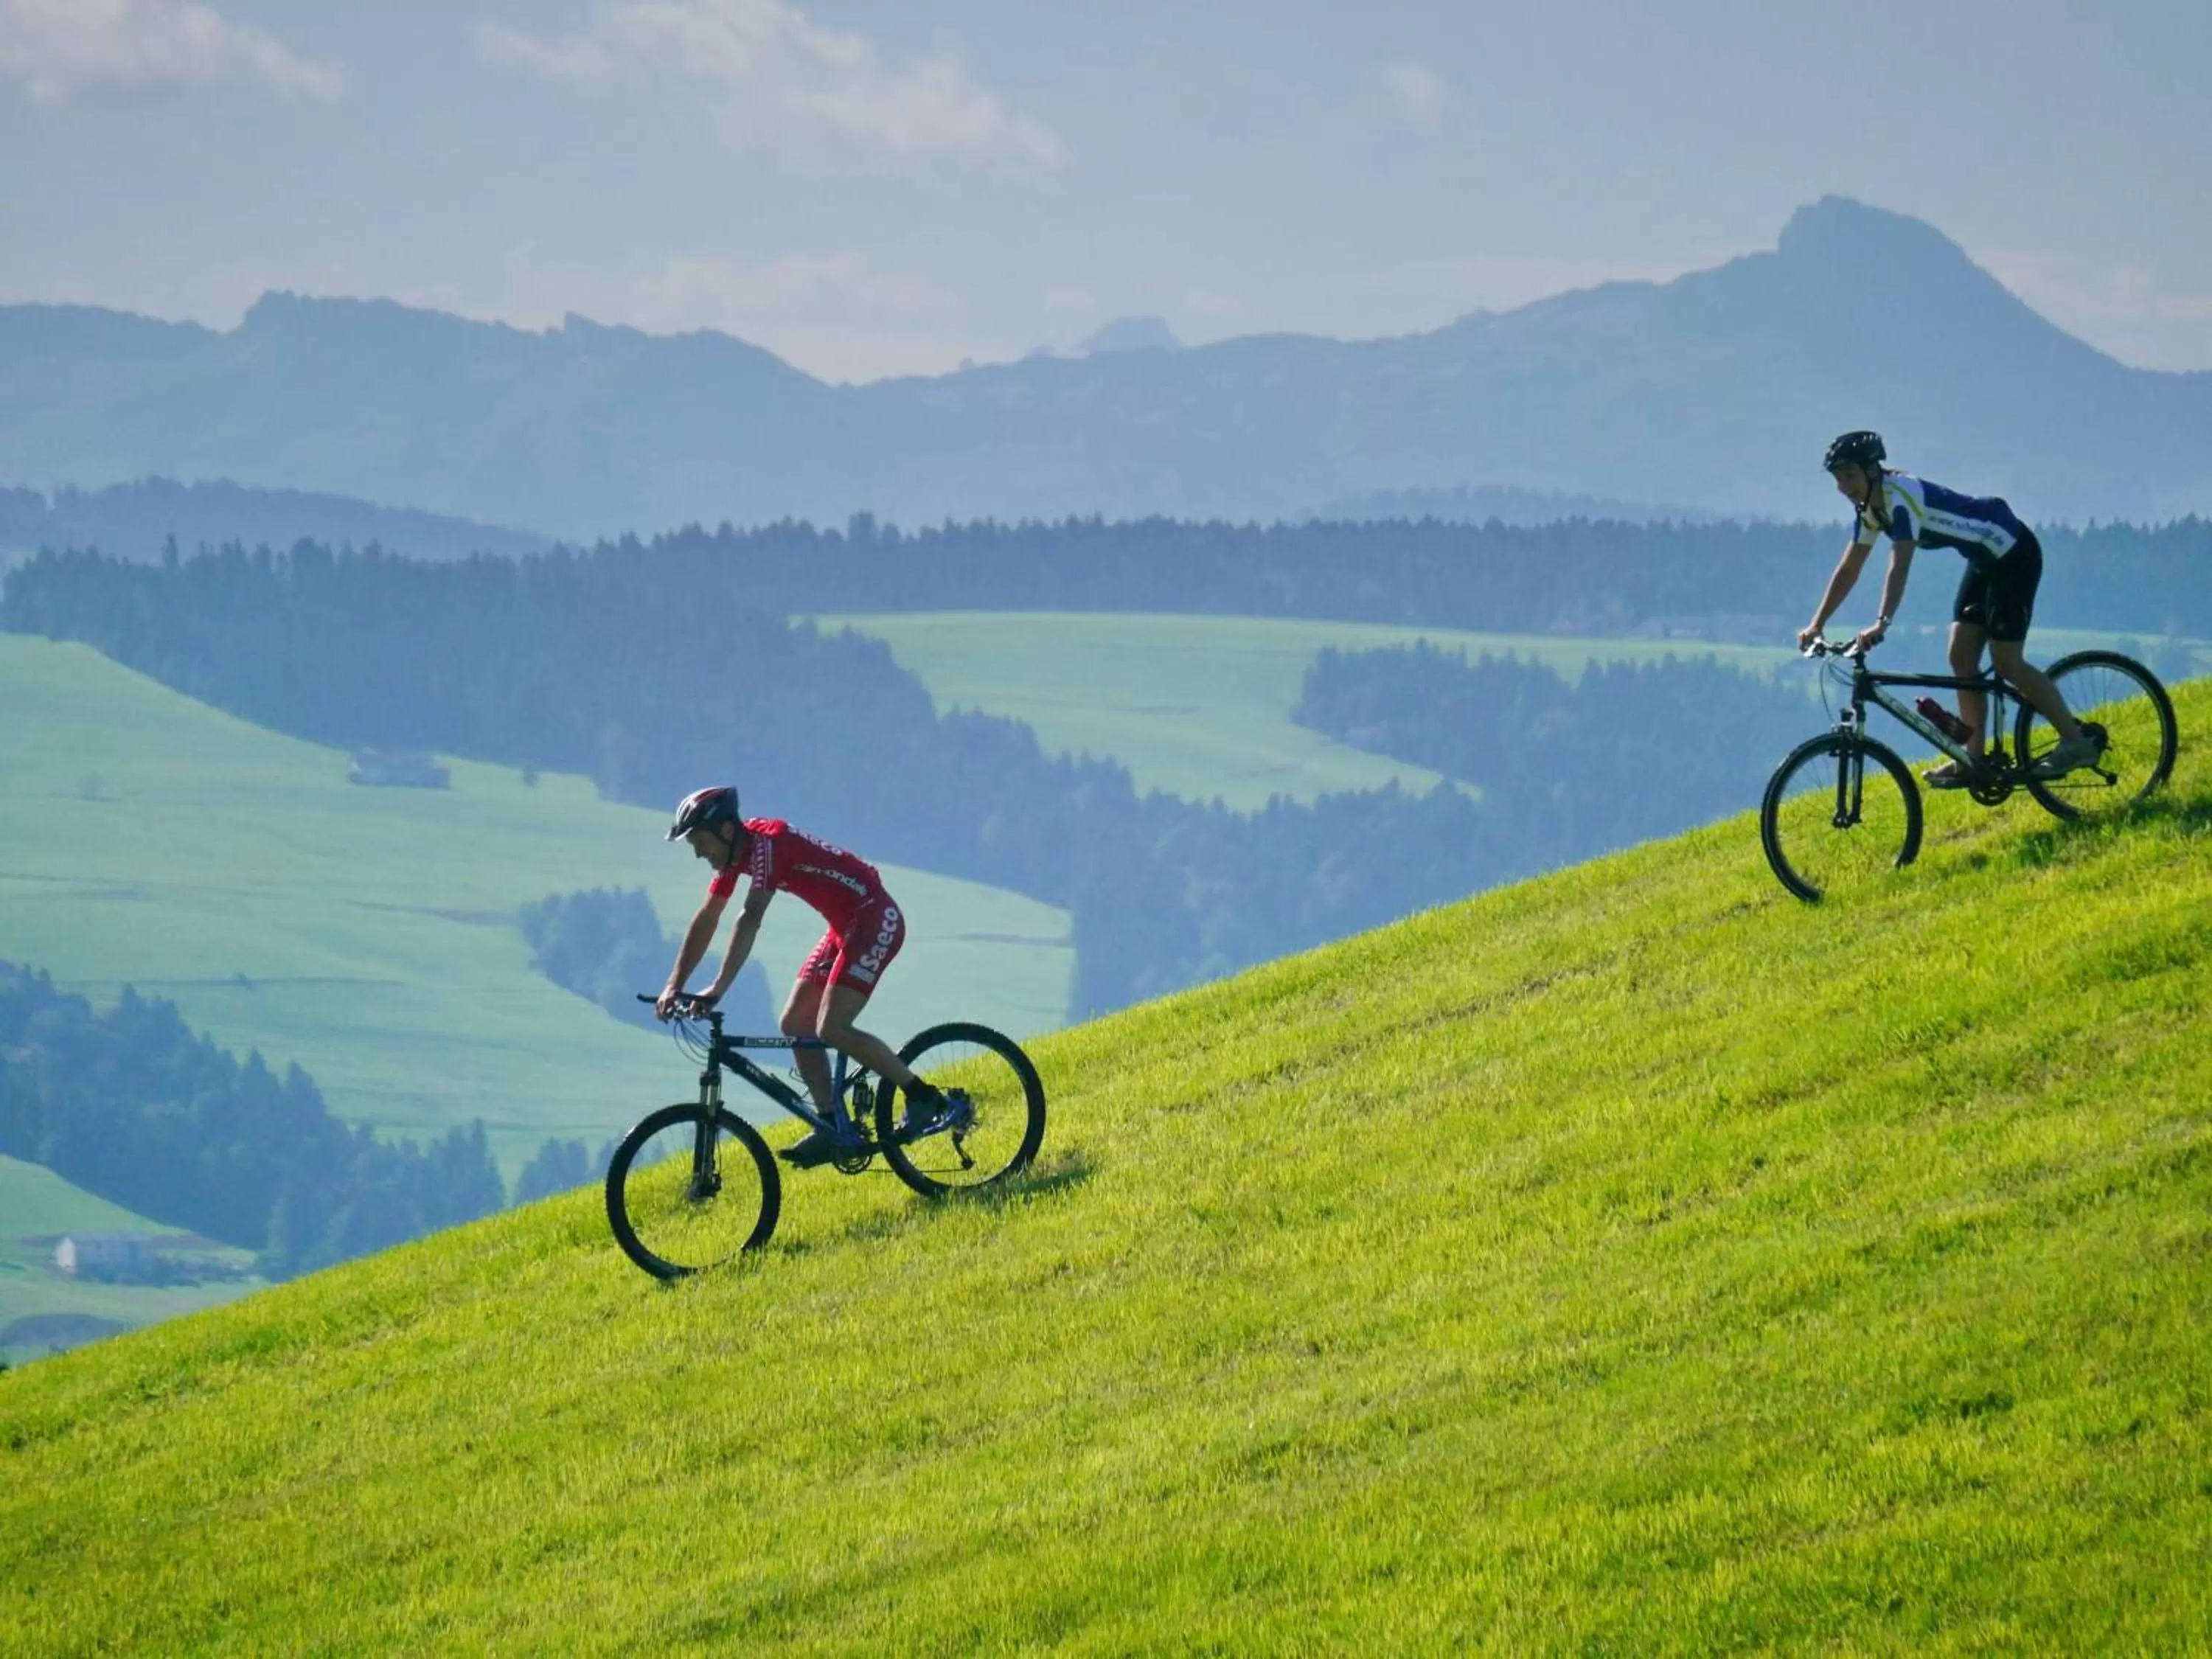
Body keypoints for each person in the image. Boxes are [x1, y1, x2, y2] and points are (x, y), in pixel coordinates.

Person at [655, 786, 949, 1166]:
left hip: (875, 918)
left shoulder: (767, 847)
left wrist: (718, 987)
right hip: (844, 926)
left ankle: (924, 1097)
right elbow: (708, 916)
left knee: (832, 1027)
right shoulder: (736, 855)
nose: (698, 852)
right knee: (795, 1023)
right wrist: (673, 985)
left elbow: (750, 918)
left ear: (727, 831)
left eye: (700, 842)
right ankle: (831, 1125)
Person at [1798, 430, 2101, 786]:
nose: (1843, 487)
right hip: (1983, 560)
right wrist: (1817, 623)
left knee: (2007, 661)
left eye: (1849, 476)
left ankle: (2075, 741)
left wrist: (1883, 621)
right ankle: (1972, 760)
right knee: (1961, 656)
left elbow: (1900, 561)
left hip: (2013, 554)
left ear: (1872, 470)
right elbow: (1849, 568)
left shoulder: (1900, 495)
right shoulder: (1870, 510)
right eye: (1837, 479)